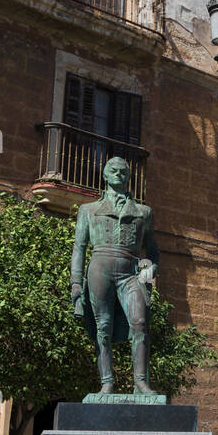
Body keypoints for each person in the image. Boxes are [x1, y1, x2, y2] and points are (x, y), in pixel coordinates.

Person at [70, 157, 160, 396]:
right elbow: (79, 248)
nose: (118, 174)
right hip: (100, 270)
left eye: (123, 171)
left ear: (129, 177)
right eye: (113, 170)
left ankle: (141, 383)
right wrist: (76, 285)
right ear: (105, 175)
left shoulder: (143, 213)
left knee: (140, 323)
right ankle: (106, 383)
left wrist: (148, 273)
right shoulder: (88, 211)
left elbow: (152, 251)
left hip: (130, 274)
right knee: (103, 327)